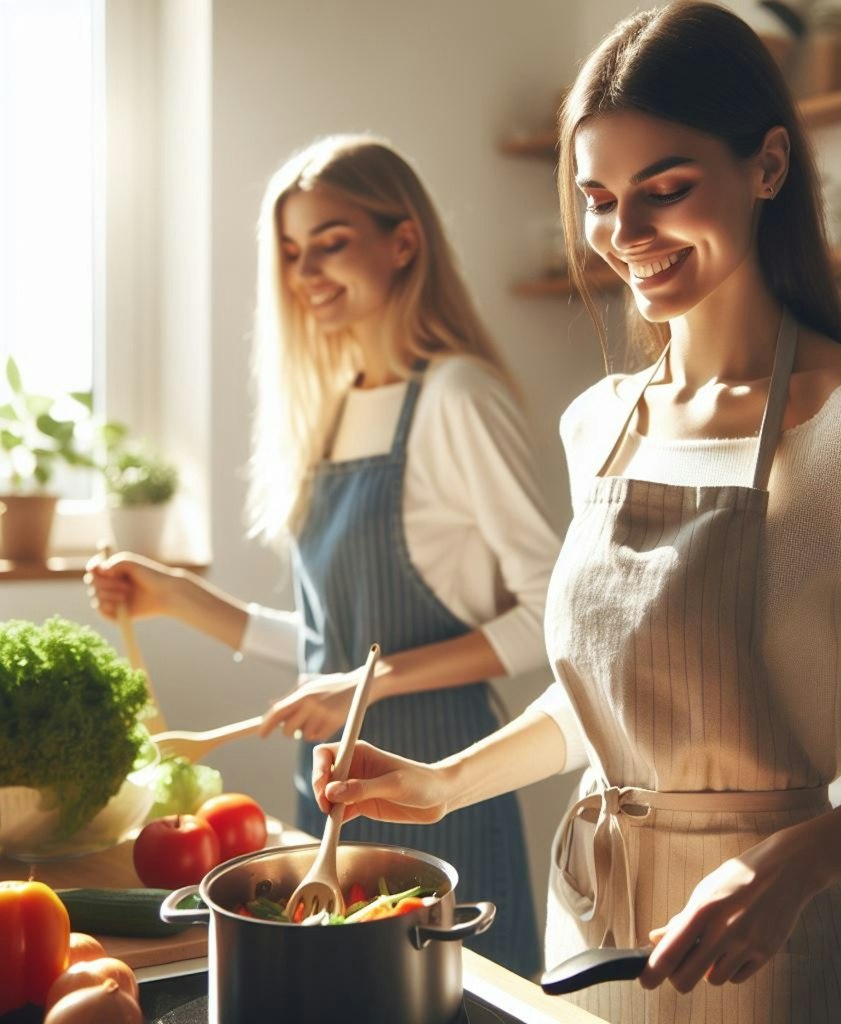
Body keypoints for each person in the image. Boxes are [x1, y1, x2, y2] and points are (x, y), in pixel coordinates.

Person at [307, 5, 841, 1022]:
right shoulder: (597, 422)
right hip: (591, 923)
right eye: (597, 199)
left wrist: (793, 865)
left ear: (767, 167)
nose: (624, 236)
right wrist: (439, 784)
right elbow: (604, 706)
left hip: (763, 950)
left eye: (665, 190)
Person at [85, 133, 560, 977]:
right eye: (293, 253)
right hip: (332, 790)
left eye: (331, 243)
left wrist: (362, 686)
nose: (306, 274)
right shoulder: (330, 409)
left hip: (440, 785)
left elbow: (549, 619)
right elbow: (325, 646)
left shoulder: (456, 397)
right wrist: (175, 597)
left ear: (402, 241)